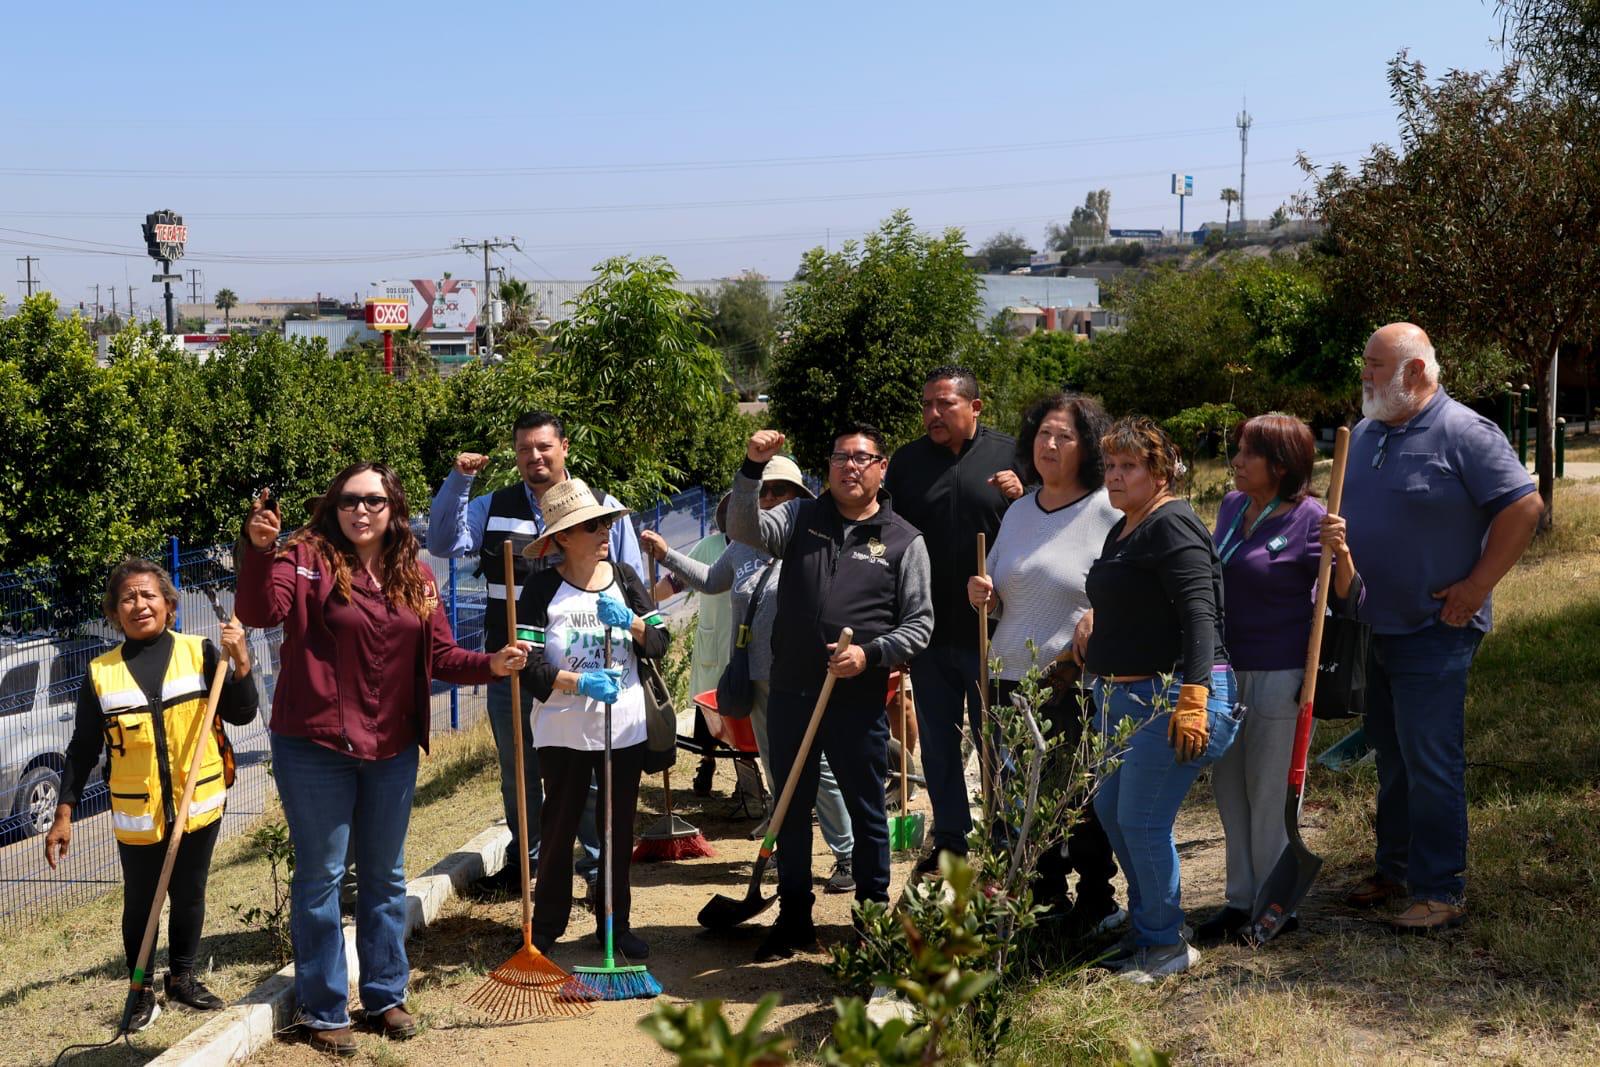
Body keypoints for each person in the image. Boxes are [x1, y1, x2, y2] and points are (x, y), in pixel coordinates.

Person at [238, 465, 528, 1055]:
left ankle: (385, 994)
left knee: (385, 875)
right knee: (321, 879)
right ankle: (322, 1008)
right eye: (349, 499)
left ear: (393, 507)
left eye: (373, 499)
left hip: (392, 746)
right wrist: (257, 550)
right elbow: (262, 610)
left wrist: (491, 664)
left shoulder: (415, 575)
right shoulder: (305, 558)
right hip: (316, 744)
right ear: (334, 506)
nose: (361, 509)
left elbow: (442, 654)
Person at [1340, 323, 1540, 933]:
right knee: (1393, 756)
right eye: (1366, 363)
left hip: (1435, 627)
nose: (1366, 375)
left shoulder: (1464, 431)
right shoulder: (1372, 431)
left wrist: (1477, 586)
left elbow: (1524, 507)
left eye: (1376, 365)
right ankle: (1394, 869)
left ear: (1417, 373)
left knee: (1430, 759)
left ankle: (1439, 888)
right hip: (1373, 625)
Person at [729, 426, 933, 961]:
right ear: (829, 465)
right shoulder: (800, 519)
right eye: (841, 456)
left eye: (862, 458)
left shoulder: (903, 540)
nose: (851, 467)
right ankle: (794, 916)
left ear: (881, 468)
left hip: (858, 698)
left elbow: (920, 624)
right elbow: (742, 526)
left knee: (866, 810)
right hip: (793, 689)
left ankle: (870, 919)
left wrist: (869, 653)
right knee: (791, 804)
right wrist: (752, 467)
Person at [427, 411, 641, 892]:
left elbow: (632, 587)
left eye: (543, 447)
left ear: (564, 447)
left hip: (585, 667)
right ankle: (533, 863)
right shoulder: (492, 507)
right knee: (518, 770)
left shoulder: (602, 508)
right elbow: (441, 542)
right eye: (524, 449)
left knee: (584, 768)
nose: (534, 457)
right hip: (514, 667)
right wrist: (459, 481)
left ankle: (594, 863)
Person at [44, 559, 257, 1031]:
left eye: (148, 596)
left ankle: (181, 978)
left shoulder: (200, 652)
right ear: (115, 613)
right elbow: (81, 749)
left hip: (197, 803)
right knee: (141, 901)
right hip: (138, 812)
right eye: (127, 599)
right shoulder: (101, 674)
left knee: (190, 893)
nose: (139, 605)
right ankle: (140, 990)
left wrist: (241, 660)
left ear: (169, 604)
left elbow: (243, 714)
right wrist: (64, 814)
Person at [1073, 417, 1242, 983]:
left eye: (1129, 467)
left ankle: (1164, 944)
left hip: (1175, 693)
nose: (1115, 477)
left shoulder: (1173, 524)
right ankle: (1153, 928)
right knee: (1113, 812)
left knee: (1142, 820)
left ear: (1160, 470)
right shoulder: (1126, 526)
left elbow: (1200, 614)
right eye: (1111, 466)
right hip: (1126, 696)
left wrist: (1194, 696)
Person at [641, 456, 858, 895]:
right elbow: (709, 580)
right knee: (777, 768)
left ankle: (847, 853)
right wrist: (668, 556)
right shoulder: (740, 546)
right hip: (757, 677)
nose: (769, 499)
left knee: (816, 769)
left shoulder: (811, 542)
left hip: (802, 675)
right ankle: (786, 851)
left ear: (798, 499)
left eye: (779, 491)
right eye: (763, 491)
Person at [1195, 413, 1361, 946]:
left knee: (1268, 793)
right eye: (1237, 449)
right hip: (1224, 670)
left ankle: (1275, 904)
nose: (1236, 461)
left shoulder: (1314, 518)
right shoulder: (1231, 506)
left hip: (1281, 672)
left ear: (1282, 464)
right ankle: (1239, 899)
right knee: (1229, 788)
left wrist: (1344, 553)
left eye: (1248, 452)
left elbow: (1350, 599)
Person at [965, 392, 1122, 936]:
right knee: (1021, 801)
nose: (1050, 445)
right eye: (1043, 434)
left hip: (1068, 677)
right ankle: (1044, 899)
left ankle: (1098, 901)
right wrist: (983, 594)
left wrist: (1100, 613)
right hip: (1006, 673)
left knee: (1076, 796)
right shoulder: (1017, 510)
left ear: (1088, 449)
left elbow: (1125, 586)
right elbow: (1008, 589)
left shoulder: (1107, 508)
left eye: (1065, 436)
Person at [514, 478, 669, 958]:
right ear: (563, 537)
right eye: (592, 526)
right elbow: (530, 668)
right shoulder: (542, 589)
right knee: (558, 827)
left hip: (623, 729)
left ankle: (614, 923)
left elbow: (661, 642)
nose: (605, 531)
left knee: (617, 829)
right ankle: (546, 927)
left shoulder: (624, 578)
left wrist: (634, 623)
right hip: (563, 731)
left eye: (605, 522)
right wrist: (578, 683)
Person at [884, 365, 1024, 877]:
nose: (933, 414)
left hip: (996, 631)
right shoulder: (906, 463)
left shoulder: (1012, 457)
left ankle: (1007, 836)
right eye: (926, 405)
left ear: (975, 407)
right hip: (927, 630)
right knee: (940, 742)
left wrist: (1021, 493)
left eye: (944, 404)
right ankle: (950, 841)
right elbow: (888, 534)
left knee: (998, 741)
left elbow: (1044, 521)